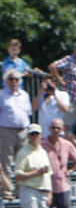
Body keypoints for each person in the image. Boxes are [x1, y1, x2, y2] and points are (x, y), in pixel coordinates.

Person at [0, 69, 33, 198]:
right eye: (12, 79)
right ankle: (7, 190)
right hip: (6, 130)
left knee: (22, 161)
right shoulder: (2, 95)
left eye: (17, 79)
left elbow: (28, 112)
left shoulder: (24, 95)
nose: (14, 82)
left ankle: (20, 190)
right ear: (7, 81)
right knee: (6, 162)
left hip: (23, 131)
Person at [48, 40, 76, 119]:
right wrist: (60, 80)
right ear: (74, 50)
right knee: (69, 124)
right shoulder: (68, 59)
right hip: (70, 99)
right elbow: (52, 66)